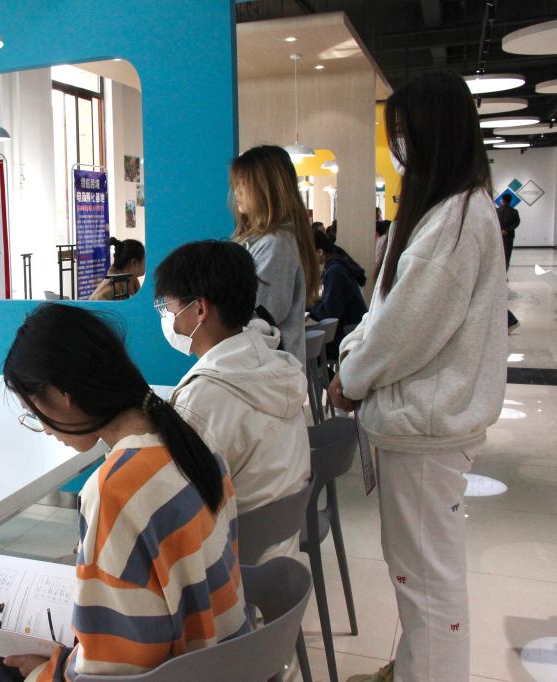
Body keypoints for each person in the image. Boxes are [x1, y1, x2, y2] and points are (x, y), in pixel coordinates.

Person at [330, 71, 507, 682]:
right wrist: (353, 360)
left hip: (426, 430)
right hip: (424, 426)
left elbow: (402, 332)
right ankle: (412, 667)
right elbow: (387, 313)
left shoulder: (455, 221)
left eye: (406, 131)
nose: (401, 144)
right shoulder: (451, 212)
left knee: (428, 582)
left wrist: (351, 377)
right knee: (421, 574)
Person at [0, 304, 247, 682]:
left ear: (61, 395)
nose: (44, 428)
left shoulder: (114, 488)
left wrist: (50, 671)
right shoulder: (190, 435)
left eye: (34, 410)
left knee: (4, 666)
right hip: (229, 656)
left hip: (183, 670)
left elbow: (115, 668)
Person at [153, 240, 310, 560]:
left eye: (168, 308)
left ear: (199, 309)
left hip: (228, 569)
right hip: (282, 557)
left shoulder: (203, 399)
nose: (167, 317)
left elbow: (172, 503)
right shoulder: (277, 366)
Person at [231, 145, 321, 364]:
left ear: (267, 188)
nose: (237, 192)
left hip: (268, 368)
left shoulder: (276, 244)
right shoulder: (267, 240)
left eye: (244, 183)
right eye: (236, 184)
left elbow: (261, 314)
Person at [309, 229, 369, 361]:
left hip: (348, 335)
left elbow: (329, 313)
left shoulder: (334, 271)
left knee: (308, 348)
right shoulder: (337, 265)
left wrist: (308, 305)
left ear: (320, 252)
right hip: (351, 330)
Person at [496, 194, 521, 331]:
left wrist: (500, 230)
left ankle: (509, 321)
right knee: (507, 256)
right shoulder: (514, 212)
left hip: (497, 237)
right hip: (508, 237)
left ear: (502, 200)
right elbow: (516, 223)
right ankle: (503, 274)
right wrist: (507, 230)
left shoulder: (496, 211)